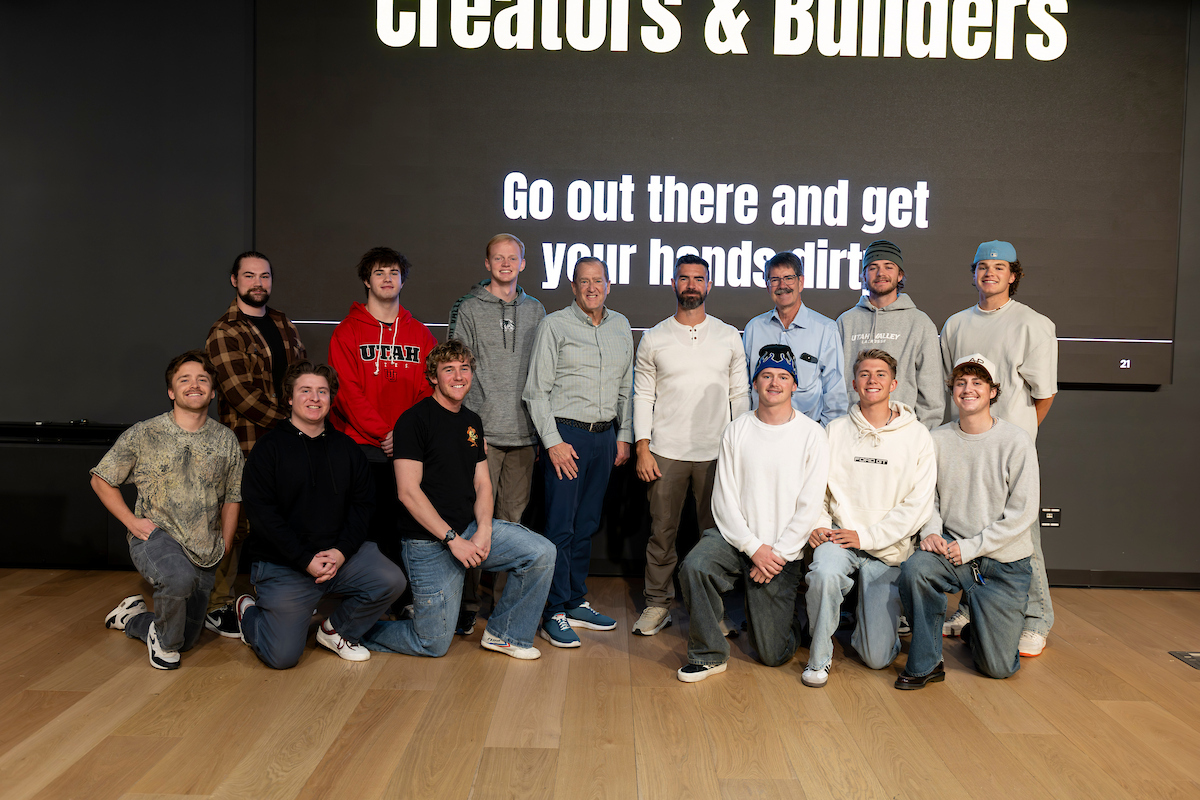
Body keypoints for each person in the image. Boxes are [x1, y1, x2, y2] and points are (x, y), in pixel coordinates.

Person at [361, 340, 556, 660]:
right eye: (448, 369)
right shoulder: (413, 420)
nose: (458, 375)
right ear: (433, 377)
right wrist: (452, 539)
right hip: (428, 543)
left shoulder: (472, 422)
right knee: (433, 643)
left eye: (464, 368)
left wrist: (483, 530)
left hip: (467, 530)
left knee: (541, 553)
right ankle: (351, 629)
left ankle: (505, 634)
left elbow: (483, 485)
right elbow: (407, 492)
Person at [236, 361, 406, 668]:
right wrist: (305, 560)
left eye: (322, 391)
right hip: (285, 564)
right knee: (283, 658)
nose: (314, 398)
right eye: (305, 390)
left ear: (331, 398)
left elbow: (363, 506)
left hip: (340, 559)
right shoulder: (267, 450)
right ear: (289, 398)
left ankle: (336, 630)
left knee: (391, 579)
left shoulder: (349, 450)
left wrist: (340, 553)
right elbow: (263, 518)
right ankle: (249, 614)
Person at [675, 345, 830, 682]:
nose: (774, 382)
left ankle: (781, 617)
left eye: (783, 376)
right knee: (695, 566)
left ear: (794, 384)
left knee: (773, 655)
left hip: (781, 550)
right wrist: (752, 547)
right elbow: (724, 499)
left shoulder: (812, 435)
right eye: (766, 375)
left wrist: (777, 553)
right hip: (737, 541)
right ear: (755, 383)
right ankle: (708, 653)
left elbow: (810, 505)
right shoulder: (737, 430)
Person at [939, 240, 1057, 656]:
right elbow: (950, 386)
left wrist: (1016, 439)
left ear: (1013, 275)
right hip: (966, 445)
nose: (990, 273)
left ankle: (1036, 619)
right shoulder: (955, 324)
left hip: (1005, 451)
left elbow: (1044, 394)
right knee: (970, 529)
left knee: (1020, 536)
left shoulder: (1032, 324)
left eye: (999, 267)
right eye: (983, 266)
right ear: (974, 273)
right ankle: (973, 608)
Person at [93, 351, 243, 669]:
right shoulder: (145, 433)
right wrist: (132, 523)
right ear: (171, 392)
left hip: (205, 547)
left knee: (186, 639)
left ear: (213, 391)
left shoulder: (226, 440)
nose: (194, 385)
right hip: (157, 536)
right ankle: (163, 642)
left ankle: (133, 618)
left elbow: (233, 496)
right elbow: (101, 479)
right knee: (177, 579)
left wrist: (226, 543)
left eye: (202, 379)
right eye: (184, 379)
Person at [895, 354, 1038, 688]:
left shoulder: (1016, 441)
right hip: (952, 554)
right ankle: (926, 663)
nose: (968, 389)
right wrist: (931, 531)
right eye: (960, 382)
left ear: (992, 391)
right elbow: (927, 495)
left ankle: (983, 627)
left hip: (1002, 565)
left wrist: (972, 547)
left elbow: (1024, 512)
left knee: (999, 668)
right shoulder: (937, 439)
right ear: (952, 391)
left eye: (977, 382)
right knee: (916, 569)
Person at [802, 349, 936, 688]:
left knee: (877, 659)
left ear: (893, 384)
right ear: (853, 383)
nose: (871, 380)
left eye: (879, 374)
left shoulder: (917, 435)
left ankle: (867, 620)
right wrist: (818, 521)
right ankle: (818, 658)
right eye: (864, 374)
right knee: (824, 575)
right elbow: (816, 487)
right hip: (839, 538)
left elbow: (918, 504)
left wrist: (869, 537)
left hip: (887, 547)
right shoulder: (834, 430)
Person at [631, 254, 749, 636]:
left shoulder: (729, 335)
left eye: (699, 279)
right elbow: (643, 395)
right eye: (685, 278)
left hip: (717, 454)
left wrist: (740, 450)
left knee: (714, 539)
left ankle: (710, 611)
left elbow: (739, 396)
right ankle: (657, 604)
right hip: (665, 451)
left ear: (709, 285)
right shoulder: (655, 337)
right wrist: (642, 448)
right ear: (674, 283)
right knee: (661, 533)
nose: (692, 285)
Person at [523, 257, 634, 648]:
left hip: (604, 438)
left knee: (586, 525)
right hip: (566, 436)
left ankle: (573, 600)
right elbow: (536, 391)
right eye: (583, 282)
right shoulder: (555, 325)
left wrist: (625, 436)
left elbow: (626, 388)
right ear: (573, 287)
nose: (591, 288)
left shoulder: (621, 326)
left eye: (598, 281)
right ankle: (552, 610)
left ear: (609, 285)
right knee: (560, 527)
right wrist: (552, 442)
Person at [447, 233, 546, 636]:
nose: (506, 264)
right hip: (481, 435)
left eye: (513, 258)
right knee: (475, 520)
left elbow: (543, 375)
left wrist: (540, 433)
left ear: (522, 263)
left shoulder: (538, 309)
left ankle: (504, 605)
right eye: (498, 258)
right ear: (487, 264)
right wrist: (473, 428)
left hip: (523, 435)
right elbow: (457, 371)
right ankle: (468, 604)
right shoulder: (469, 309)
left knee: (511, 523)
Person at [204, 251, 306, 637]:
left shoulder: (282, 322)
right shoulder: (224, 331)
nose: (257, 282)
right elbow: (240, 394)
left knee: (286, 517)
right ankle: (217, 605)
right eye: (248, 276)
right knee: (238, 523)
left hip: (288, 442)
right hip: (246, 443)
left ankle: (282, 595)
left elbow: (300, 375)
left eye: (264, 276)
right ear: (235, 281)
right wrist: (291, 421)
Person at [328, 247, 438, 578]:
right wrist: (384, 434)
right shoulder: (347, 331)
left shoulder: (420, 333)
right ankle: (366, 604)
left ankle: (402, 600)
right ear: (366, 280)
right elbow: (346, 394)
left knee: (407, 529)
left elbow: (429, 390)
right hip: (362, 449)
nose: (387, 279)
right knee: (366, 530)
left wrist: (402, 437)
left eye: (393, 272)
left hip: (409, 451)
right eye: (379, 273)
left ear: (403, 280)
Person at [836, 240, 943, 429]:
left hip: (901, 434)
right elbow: (834, 382)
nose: (881, 274)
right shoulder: (846, 322)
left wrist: (919, 436)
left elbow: (931, 391)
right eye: (873, 267)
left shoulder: (920, 323)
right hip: (851, 430)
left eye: (889, 267)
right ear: (863, 275)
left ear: (900, 275)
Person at [742, 251, 847, 426]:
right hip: (759, 431)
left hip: (806, 436)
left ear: (801, 282)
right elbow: (744, 387)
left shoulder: (825, 330)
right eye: (774, 280)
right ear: (768, 286)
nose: (782, 285)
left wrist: (823, 436)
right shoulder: (754, 328)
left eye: (789, 278)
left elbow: (835, 392)